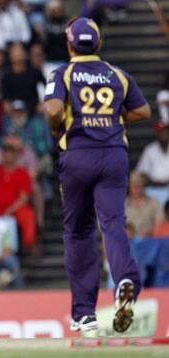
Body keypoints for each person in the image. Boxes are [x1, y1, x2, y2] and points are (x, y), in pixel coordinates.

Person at [44, 17, 150, 333]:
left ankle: (84, 312)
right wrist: (112, 116)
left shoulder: (62, 73)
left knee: (78, 231)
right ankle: (126, 278)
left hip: (78, 154)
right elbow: (143, 111)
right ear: (99, 44)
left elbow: (51, 109)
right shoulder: (118, 74)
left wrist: (58, 127)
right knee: (113, 223)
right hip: (114, 154)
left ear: (69, 44)